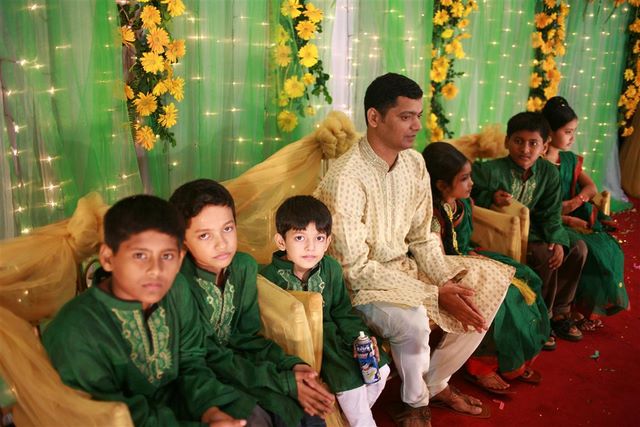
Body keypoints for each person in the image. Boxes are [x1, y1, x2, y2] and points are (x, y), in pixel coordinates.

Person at [315, 73, 513, 426]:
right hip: (362, 287)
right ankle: (415, 404)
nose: (417, 126)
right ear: (374, 117)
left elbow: (423, 237)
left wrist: (445, 280)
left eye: (418, 116)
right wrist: (433, 294)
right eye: (406, 116)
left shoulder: (414, 163)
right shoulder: (347, 178)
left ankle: (435, 382)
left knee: (486, 284)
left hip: (404, 269)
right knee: (414, 321)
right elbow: (353, 270)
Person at [43, 195, 254, 426]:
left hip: (180, 407)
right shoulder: (75, 330)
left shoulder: (177, 289)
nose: (156, 270)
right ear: (108, 258)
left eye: (167, 256)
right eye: (140, 255)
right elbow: (106, 415)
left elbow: (191, 360)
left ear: (180, 258)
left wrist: (210, 411)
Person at [169, 179, 335, 427]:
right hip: (197, 378)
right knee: (256, 417)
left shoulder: (243, 267)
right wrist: (281, 381)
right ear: (182, 241)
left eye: (227, 229)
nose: (222, 243)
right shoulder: (178, 281)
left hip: (241, 366)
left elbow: (246, 337)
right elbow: (204, 354)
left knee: (308, 412)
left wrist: (290, 365)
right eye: (204, 235)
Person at [423, 142, 549, 394]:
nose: (471, 183)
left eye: (470, 176)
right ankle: (481, 366)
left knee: (526, 277)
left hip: (468, 257)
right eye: (464, 179)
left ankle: (510, 359)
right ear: (441, 185)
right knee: (504, 296)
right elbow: (436, 259)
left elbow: (463, 236)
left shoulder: (462, 202)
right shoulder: (430, 214)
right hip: (446, 270)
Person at [260, 195, 391, 427]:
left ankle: (352, 419)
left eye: (319, 238)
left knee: (382, 370)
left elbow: (342, 311)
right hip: (303, 346)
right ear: (281, 242)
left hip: (335, 338)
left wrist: (358, 338)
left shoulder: (330, 268)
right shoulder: (267, 278)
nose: (311, 247)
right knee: (351, 386)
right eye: (299, 237)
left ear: (328, 241)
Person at [471, 111, 588, 347]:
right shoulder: (490, 170)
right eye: (518, 141)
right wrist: (490, 196)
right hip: (505, 232)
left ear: (544, 146)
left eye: (533, 143)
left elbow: (551, 212)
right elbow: (468, 193)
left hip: (537, 227)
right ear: (507, 141)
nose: (525, 149)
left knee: (578, 248)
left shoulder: (549, 173)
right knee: (546, 255)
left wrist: (558, 239)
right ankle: (539, 318)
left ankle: (561, 311)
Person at [541, 96, 629, 329]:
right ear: (549, 131)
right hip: (552, 221)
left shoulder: (569, 159)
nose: (573, 137)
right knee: (589, 250)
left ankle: (583, 307)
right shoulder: (538, 162)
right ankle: (567, 308)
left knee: (608, 248)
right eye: (568, 132)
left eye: (574, 132)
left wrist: (575, 201)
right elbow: (536, 206)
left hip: (573, 216)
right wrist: (566, 217)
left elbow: (590, 188)